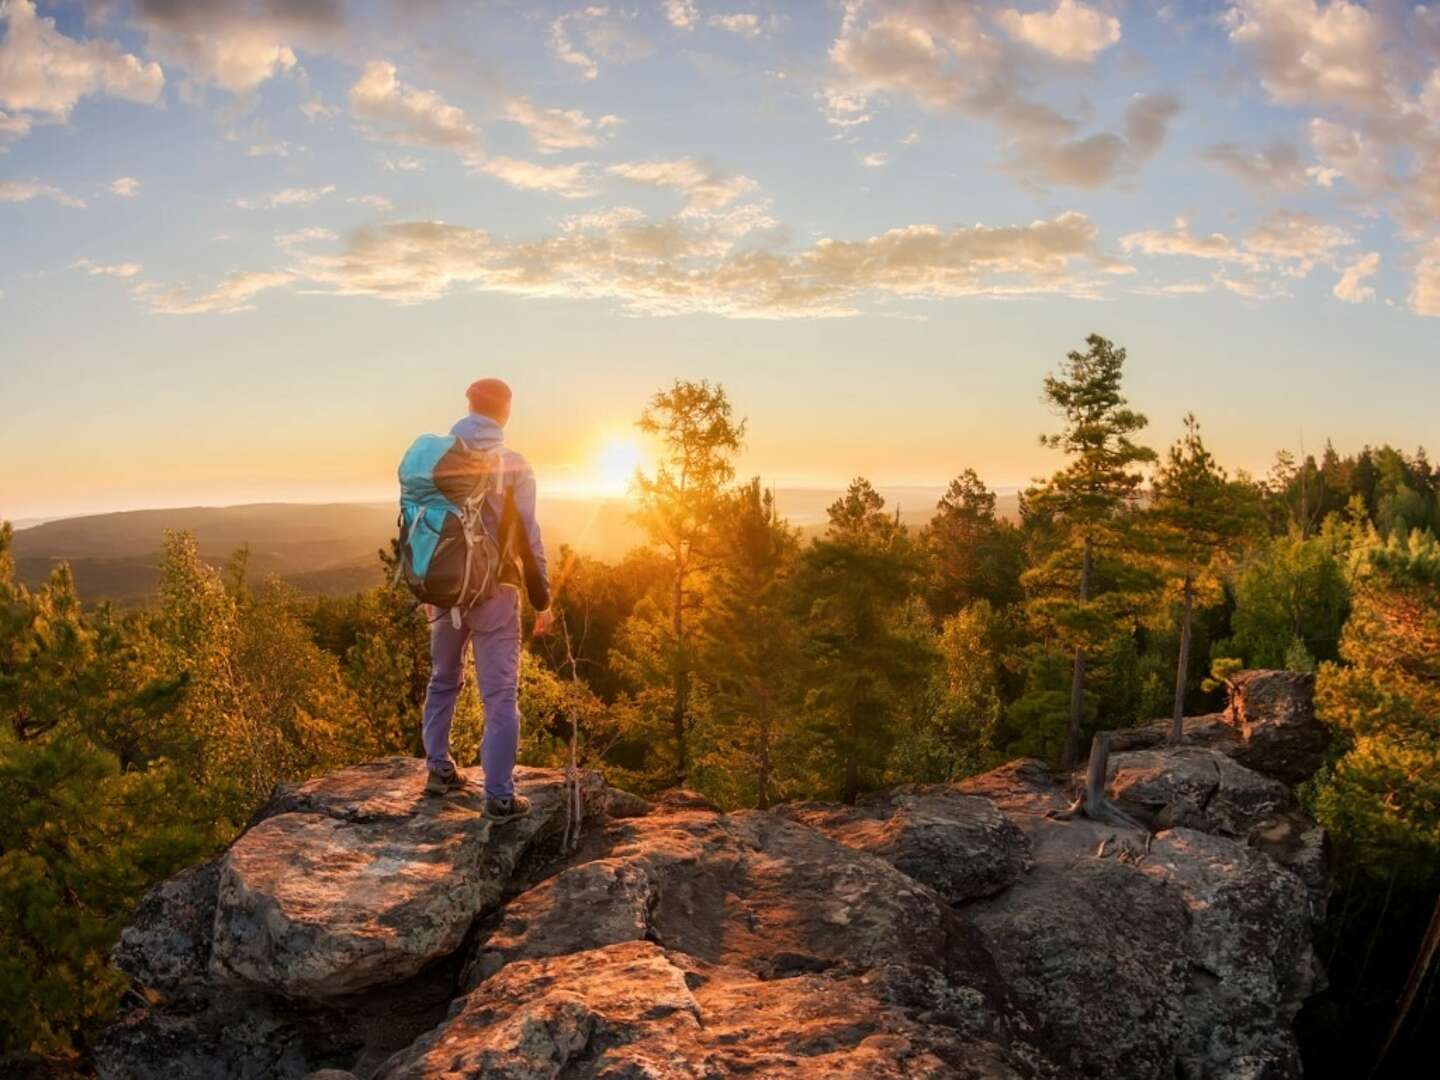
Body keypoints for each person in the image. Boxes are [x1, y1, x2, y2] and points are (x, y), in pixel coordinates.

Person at [420, 378, 553, 820]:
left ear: (469, 405)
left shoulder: (440, 459)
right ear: (506, 411)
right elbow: (528, 537)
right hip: (495, 591)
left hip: (445, 589)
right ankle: (498, 796)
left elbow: (424, 524)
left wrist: (429, 584)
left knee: (443, 679)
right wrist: (542, 599)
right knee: (499, 695)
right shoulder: (513, 464)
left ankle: (438, 769)